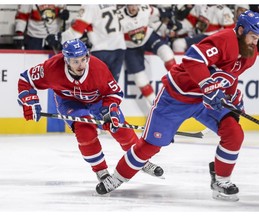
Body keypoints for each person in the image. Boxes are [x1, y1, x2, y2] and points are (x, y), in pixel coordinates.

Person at [94, 10, 259, 202]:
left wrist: (232, 99)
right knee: (150, 146)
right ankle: (116, 178)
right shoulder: (225, 39)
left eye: (258, 38)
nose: (255, 42)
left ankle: (221, 180)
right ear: (241, 30)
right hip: (176, 97)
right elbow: (193, 59)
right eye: (253, 37)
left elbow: (230, 77)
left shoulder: (250, 53)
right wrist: (208, 86)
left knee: (234, 132)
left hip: (204, 101)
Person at [17, 39, 164, 185]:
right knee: (84, 130)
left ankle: (141, 161)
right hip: (69, 102)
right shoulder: (52, 68)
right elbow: (26, 79)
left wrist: (109, 112)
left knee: (120, 128)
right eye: (75, 61)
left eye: (83, 59)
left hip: (98, 100)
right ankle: (101, 171)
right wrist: (29, 100)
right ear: (66, 60)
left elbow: (114, 93)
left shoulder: (98, 68)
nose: (81, 64)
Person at [45, 4, 126, 82]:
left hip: (101, 50)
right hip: (119, 48)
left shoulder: (90, 5)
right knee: (112, 87)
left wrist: (59, 38)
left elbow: (76, 31)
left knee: (95, 86)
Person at [118, 4, 176, 105]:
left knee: (167, 53)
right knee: (140, 80)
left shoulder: (145, 8)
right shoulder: (118, 16)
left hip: (148, 37)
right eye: (131, 5)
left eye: (136, 5)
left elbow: (160, 12)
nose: (133, 8)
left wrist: (168, 16)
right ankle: (157, 105)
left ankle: (178, 82)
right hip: (130, 47)